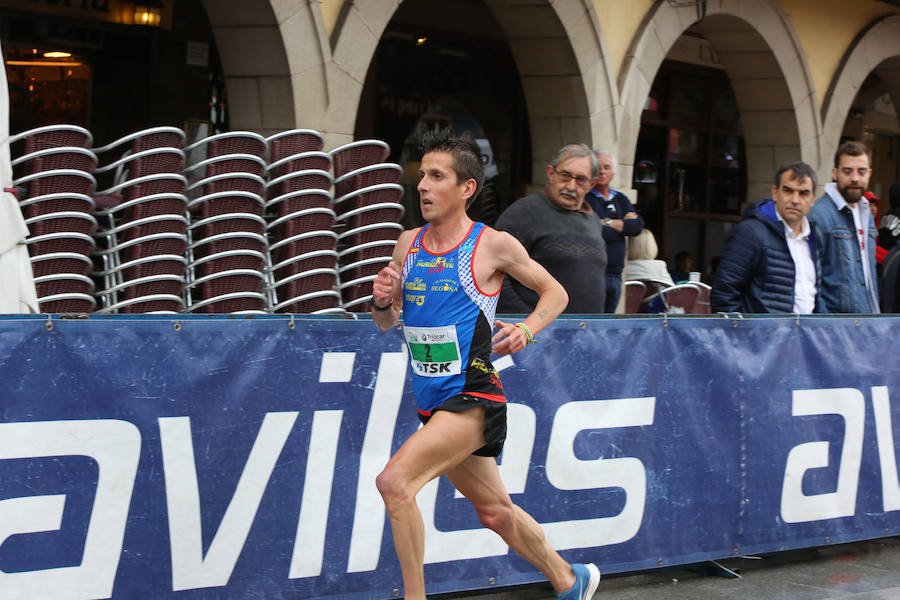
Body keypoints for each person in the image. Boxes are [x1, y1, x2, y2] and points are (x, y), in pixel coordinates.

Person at [370, 130, 601, 600]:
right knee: (494, 512)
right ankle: (568, 579)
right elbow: (386, 324)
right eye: (422, 176)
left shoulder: (492, 245)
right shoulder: (407, 244)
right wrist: (380, 303)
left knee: (394, 483)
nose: (423, 186)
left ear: (466, 188)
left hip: (474, 397)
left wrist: (526, 330)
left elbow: (556, 293)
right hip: (433, 402)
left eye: (437, 177)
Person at [494, 143, 607, 313]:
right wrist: (529, 325)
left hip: (586, 333)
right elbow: (495, 271)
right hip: (536, 334)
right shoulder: (523, 213)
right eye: (565, 176)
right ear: (551, 173)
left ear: (591, 185)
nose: (571, 186)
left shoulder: (594, 220)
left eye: (581, 179)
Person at [711, 162, 823, 313]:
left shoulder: (816, 237)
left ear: (813, 199)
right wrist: (742, 335)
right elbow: (723, 294)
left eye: (803, 193)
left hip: (804, 335)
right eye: (788, 191)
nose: (795, 200)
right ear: (775, 193)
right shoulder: (750, 232)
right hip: (759, 336)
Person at [808, 141, 879, 313]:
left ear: (869, 174)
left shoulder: (866, 211)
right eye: (847, 171)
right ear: (835, 173)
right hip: (838, 329)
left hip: (869, 322)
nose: (855, 178)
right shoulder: (818, 214)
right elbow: (811, 282)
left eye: (861, 171)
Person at [586, 150, 644, 312]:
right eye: (598, 167)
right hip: (593, 274)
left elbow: (636, 227)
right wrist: (622, 225)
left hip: (616, 275)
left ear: (613, 173)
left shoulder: (621, 199)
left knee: (608, 324)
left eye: (607, 167)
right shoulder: (585, 198)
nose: (602, 171)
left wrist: (607, 222)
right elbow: (598, 231)